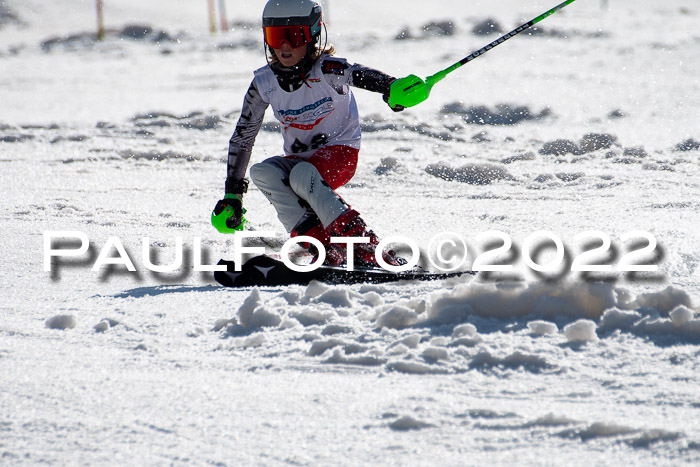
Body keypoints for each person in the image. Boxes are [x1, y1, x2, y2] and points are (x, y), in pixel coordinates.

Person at [212, 0, 406, 268]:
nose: (284, 46)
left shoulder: (328, 70)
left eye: (294, 36)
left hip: (340, 154)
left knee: (302, 175)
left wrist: (392, 87)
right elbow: (243, 136)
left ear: (312, 35)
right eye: (276, 37)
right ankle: (319, 246)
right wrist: (233, 195)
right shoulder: (264, 83)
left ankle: (364, 246)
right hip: (301, 164)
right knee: (264, 172)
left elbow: (361, 74)